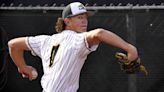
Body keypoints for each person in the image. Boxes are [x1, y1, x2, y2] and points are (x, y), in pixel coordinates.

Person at [8, 2, 138, 92]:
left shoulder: (46, 41)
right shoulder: (77, 40)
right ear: (67, 21)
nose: (84, 21)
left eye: (85, 18)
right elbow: (99, 33)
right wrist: (130, 48)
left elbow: (13, 45)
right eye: (80, 17)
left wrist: (23, 67)